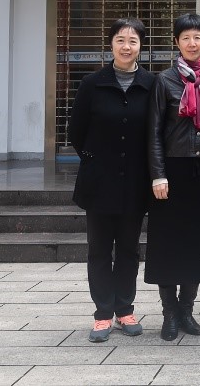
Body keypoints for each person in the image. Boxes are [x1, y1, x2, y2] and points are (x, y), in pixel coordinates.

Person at [69, 18, 155, 343]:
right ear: (111, 44)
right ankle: (103, 313)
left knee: (130, 249)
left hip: (135, 181)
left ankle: (125, 309)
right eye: (120, 40)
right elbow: (76, 132)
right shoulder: (92, 84)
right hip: (99, 181)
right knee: (100, 249)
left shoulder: (151, 84)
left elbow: (155, 133)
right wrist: (95, 159)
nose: (126, 46)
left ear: (141, 46)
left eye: (133, 41)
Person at [145, 13, 200, 341]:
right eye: (186, 38)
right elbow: (153, 132)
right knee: (167, 243)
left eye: (197, 37)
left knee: (196, 242)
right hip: (171, 170)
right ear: (176, 42)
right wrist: (157, 174)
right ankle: (169, 312)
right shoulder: (163, 81)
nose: (192, 43)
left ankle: (187, 310)